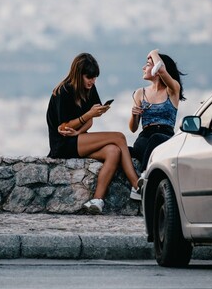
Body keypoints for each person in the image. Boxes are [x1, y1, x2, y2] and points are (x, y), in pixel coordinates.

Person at [46, 53, 140, 215]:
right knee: (119, 137)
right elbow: (64, 126)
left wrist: (79, 130)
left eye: (95, 77)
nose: (92, 81)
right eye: (89, 77)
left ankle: (97, 200)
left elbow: (89, 122)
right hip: (62, 145)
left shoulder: (89, 89)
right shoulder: (64, 91)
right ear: (78, 74)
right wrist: (87, 115)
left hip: (76, 138)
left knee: (114, 151)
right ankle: (137, 185)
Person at [128, 49, 185, 199]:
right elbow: (133, 128)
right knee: (124, 149)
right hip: (144, 138)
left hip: (164, 137)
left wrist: (153, 52)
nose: (143, 68)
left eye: (147, 65)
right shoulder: (140, 93)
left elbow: (161, 69)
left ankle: (144, 178)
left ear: (157, 69)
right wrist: (134, 115)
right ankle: (137, 183)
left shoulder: (172, 89)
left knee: (155, 138)